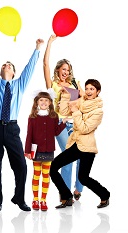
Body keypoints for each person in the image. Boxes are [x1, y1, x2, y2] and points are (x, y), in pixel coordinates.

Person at [0, 36, 44, 211]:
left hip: (12, 128)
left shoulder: (19, 84)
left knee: (21, 165)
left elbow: (29, 69)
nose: (7, 66)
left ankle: (19, 199)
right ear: (0, 71)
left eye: (10, 66)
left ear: (14, 72)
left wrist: (37, 48)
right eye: (4, 65)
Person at [50, 79, 110, 209]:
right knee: (53, 167)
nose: (88, 91)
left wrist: (76, 111)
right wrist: (66, 95)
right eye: (87, 88)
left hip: (87, 147)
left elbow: (84, 128)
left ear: (98, 92)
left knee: (83, 178)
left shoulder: (98, 111)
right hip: (76, 144)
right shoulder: (81, 101)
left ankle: (105, 195)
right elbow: (65, 112)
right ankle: (67, 197)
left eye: (92, 89)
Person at [43, 34, 85, 201]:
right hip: (60, 123)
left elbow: (85, 98)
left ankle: (78, 188)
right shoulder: (52, 85)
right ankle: (65, 194)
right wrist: (50, 42)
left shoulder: (75, 83)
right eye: (63, 70)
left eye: (68, 70)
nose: (65, 72)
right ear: (58, 70)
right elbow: (45, 64)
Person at [24, 91, 66, 211]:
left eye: (46, 100)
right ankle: (35, 199)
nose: (44, 102)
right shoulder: (32, 117)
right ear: (37, 102)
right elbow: (29, 135)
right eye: (41, 100)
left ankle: (43, 200)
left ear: (50, 103)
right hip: (36, 151)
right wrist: (27, 151)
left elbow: (56, 132)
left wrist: (63, 123)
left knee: (46, 176)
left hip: (48, 151)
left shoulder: (53, 116)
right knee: (36, 175)